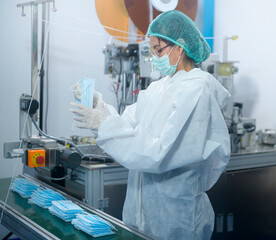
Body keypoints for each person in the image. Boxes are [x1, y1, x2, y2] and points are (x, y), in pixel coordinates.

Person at [70, 10, 230, 240]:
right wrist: (100, 110)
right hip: (141, 209)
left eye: (159, 49)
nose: (154, 56)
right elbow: (128, 123)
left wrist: (103, 125)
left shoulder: (196, 90)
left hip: (176, 215)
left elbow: (159, 154)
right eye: (152, 50)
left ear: (180, 47)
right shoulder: (160, 87)